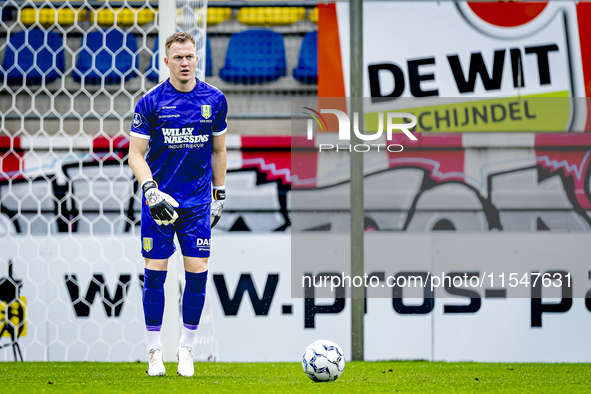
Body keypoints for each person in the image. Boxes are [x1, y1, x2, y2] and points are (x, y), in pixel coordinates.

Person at [128, 32, 227, 377]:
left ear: (197, 58)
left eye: (190, 56)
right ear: (166, 61)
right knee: (155, 272)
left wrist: (220, 194)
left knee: (197, 272)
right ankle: (154, 351)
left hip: (197, 203)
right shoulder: (151, 102)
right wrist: (150, 190)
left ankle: (186, 349)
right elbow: (135, 154)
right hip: (159, 203)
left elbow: (218, 150)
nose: (185, 63)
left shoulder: (214, 99)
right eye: (178, 57)